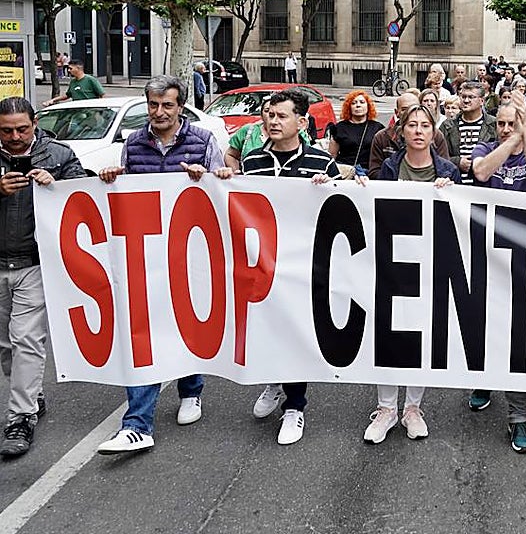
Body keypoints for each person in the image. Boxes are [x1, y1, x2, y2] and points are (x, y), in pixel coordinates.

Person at [94, 76, 233, 454]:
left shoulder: (203, 141)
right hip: (147, 256)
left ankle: (191, 389)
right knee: (144, 332)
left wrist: (209, 178)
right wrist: (112, 179)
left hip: (191, 253)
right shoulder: (134, 143)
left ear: (180, 107)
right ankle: (137, 424)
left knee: (187, 323)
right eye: (153, 105)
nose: (159, 112)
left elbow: (223, 189)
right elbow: (127, 192)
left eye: (167, 105)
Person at [241, 90, 341, 445]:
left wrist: (329, 187)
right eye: (269, 115)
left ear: (301, 122)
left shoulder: (321, 162)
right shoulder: (252, 161)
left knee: (296, 331)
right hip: (264, 262)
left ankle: (295, 406)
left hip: (303, 263)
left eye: (281, 116)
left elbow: (342, 206)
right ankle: (275, 381)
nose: (273, 121)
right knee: (267, 328)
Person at [365, 105, 460, 444]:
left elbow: (459, 218)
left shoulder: (448, 170)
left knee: (421, 336)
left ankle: (413, 408)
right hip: (393, 260)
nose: (419, 131)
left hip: (430, 261)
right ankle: (386, 408)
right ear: (401, 131)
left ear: (434, 132)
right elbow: (375, 208)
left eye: (425, 126)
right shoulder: (390, 168)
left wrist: (450, 192)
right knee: (389, 334)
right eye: (412, 125)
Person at [0, 97, 87, 458]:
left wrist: (57, 184)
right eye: (7, 131)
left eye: (22, 129)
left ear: (35, 124)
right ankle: (31, 393)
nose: (15, 137)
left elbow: (85, 196)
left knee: (25, 339)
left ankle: (20, 418)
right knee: (6, 345)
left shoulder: (59, 155)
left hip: (34, 264)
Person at [465, 97, 526, 446]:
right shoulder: (486, 147)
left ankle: (519, 417)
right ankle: (484, 380)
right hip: (487, 255)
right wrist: (512, 137)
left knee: (519, 338)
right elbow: (482, 172)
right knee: (485, 328)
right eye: (500, 123)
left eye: (510, 123)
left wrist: (524, 133)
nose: (504, 129)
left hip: (524, 259)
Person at [367, 92, 450, 178]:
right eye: (404, 109)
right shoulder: (382, 137)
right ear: (397, 112)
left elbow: (446, 169)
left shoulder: (436, 135)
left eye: (413, 108)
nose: (409, 113)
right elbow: (374, 172)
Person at [440, 81, 496, 187]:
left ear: (481, 101)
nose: (466, 101)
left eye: (471, 97)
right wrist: (457, 162)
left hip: (486, 186)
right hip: (455, 185)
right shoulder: (447, 126)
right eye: (463, 97)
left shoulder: (494, 125)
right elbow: (437, 155)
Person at [327, 91, 384, 178]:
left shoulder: (378, 128)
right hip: (346, 172)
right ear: (349, 107)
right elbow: (332, 154)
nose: (358, 105)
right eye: (353, 103)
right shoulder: (339, 128)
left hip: (368, 173)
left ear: (368, 106)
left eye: (362, 102)